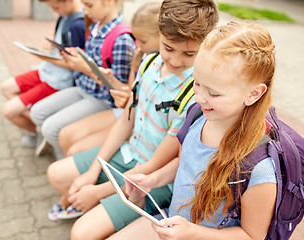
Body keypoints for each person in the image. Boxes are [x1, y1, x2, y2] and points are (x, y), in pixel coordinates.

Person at [46, 0, 219, 239]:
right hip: (129, 154)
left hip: (153, 179)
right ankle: (109, 208)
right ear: (159, 34)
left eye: (189, 54)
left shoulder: (195, 93)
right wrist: (93, 171)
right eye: (168, 48)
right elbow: (126, 121)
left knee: (81, 233)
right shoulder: (148, 62)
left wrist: (97, 191)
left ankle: (111, 210)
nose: (176, 61)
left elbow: (159, 163)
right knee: (56, 174)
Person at [108, 21, 278, 240]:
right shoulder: (198, 114)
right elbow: (188, 162)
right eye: (197, 83)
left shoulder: (260, 167)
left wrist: (191, 233)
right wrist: (153, 180)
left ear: (254, 94)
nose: (199, 97)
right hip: (174, 227)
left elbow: (251, 235)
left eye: (214, 93)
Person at [30, 0, 135, 159]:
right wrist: (78, 58)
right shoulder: (94, 27)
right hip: (83, 88)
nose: (85, 11)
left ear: (109, 2)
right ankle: (64, 158)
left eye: (90, 6)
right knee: (37, 113)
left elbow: (118, 90)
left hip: (102, 99)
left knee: (51, 129)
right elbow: (92, 62)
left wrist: (83, 67)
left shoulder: (122, 40)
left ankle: (67, 162)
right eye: (84, 6)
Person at [58, 2, 161, 157]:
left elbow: (131, 105)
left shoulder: (125, 42)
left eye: (143, 41)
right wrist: (110, 79)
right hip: (126, 113)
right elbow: (127, 94)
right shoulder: (140, 54)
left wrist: (88, 70)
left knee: (74, 148)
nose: (137, 45)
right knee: (66, 135)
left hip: (134, 119)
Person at [0, 0, 85, 147]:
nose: (55, 11)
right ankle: (39, 127)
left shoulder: (79, 24)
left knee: (9, 110)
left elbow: (76, 64)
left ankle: (40, 129)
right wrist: (50, 45)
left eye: (56, 7)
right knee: (6, 88)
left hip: (58, 80)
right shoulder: (64, 16)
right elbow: (60, 43)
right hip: (46, 71)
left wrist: (44, 57)